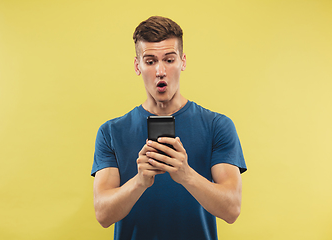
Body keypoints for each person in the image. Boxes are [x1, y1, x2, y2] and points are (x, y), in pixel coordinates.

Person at [91, 16, 247, 240]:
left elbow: (232, 209)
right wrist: (139, 182)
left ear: (183, 62)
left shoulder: (217, 126)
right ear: (138, 66)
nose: (160, 71)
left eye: (169, 60)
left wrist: (186, 175)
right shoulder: (111, 132)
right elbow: (103, 214)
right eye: (151, 61)